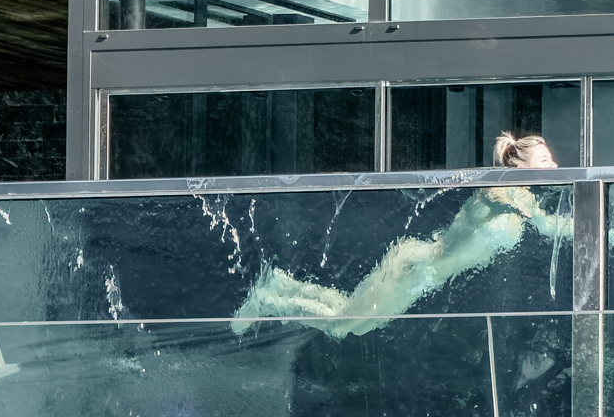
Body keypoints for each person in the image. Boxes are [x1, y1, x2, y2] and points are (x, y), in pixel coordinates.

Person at [229, 132, 574, 336]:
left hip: (423, 274)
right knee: (342, 327)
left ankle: (282, 286)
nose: (555, 168)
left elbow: (549, 225)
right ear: (517, 165)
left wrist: (602, 232)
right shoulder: (499, 191)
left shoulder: (525, 200)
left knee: (353, 319)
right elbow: (507, 204)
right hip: (417, 267)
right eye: (545, 161)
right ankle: (267, 300)